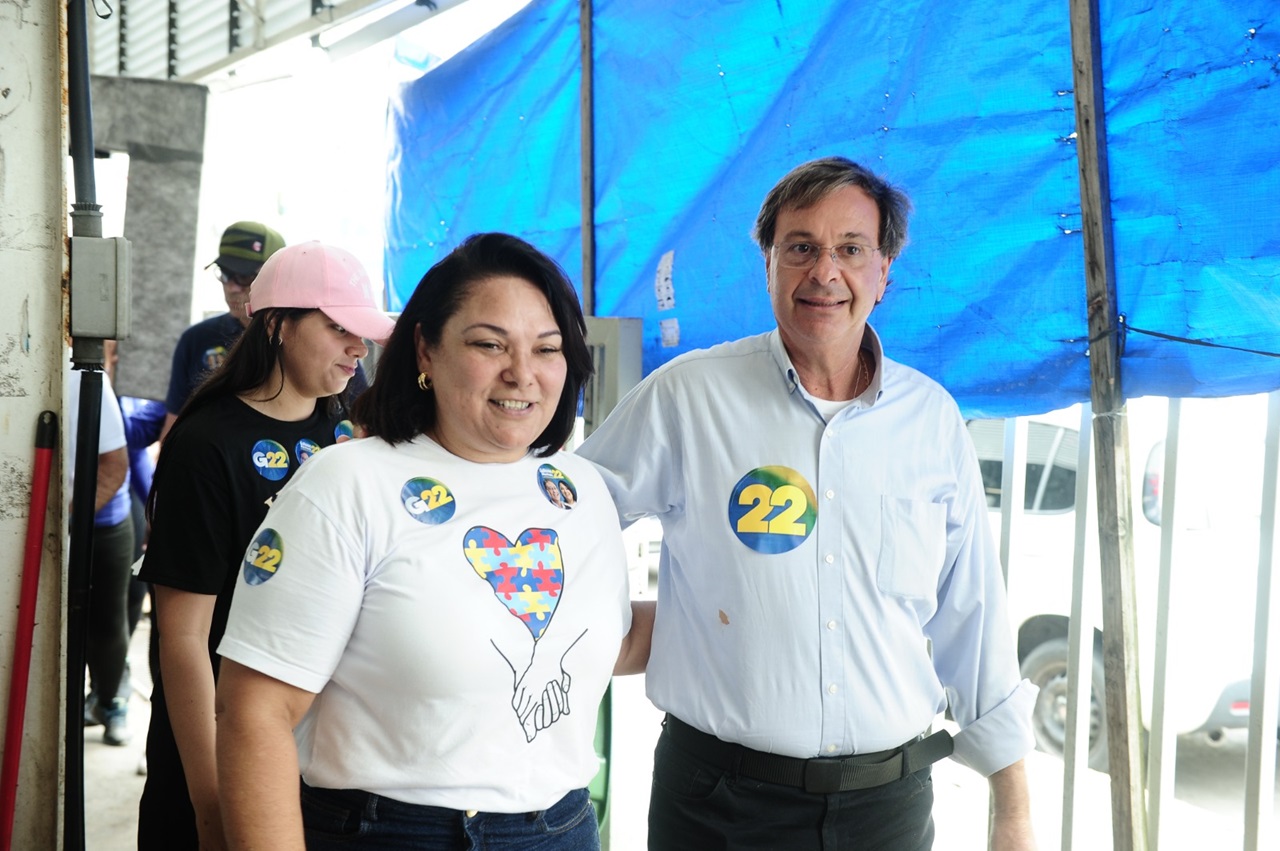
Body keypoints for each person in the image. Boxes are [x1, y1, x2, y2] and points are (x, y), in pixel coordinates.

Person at [577, 157, 1038, 851]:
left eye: (851, 249)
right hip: (717, 806)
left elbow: (971, 614)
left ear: (884, 272)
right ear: (768, 264)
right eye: (801, 248)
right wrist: (601, 624)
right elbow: (566, 519)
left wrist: (1014, 810)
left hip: (887, 808)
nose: (825, 272)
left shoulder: (930, 419)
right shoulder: (689, 396)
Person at [215, 232, 653, 851]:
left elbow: (604, 642)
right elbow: (254, 711)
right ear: (425, 348)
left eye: (547, 348)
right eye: (489, 344)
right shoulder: (349, 484)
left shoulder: (578, 487)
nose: (521, 374)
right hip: (391, 831)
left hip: (562, 827)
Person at [135, 241, 395, 850]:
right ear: (277, 324)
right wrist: (211, 797)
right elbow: (182, 638)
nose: (358, 348)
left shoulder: (350, 430)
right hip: (224, 734)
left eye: (362, 332)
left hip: (318, 751)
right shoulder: (206, 444)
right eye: (337, 328)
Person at [66, 360, 133, 747]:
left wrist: (66, 520)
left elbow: (114, 464)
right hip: (55, 524)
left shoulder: (83, 376)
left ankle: (110, 700)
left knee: (107, 624)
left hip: (103, 521)